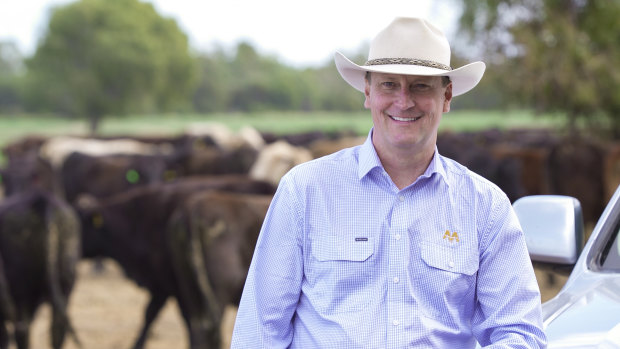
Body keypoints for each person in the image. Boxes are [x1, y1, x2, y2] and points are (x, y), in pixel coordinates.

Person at [231, 17, 546, 348]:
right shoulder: (304, 190)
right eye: (389, 84)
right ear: (368, 91)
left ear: (447, 95)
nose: (404, 101)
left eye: (421, 85)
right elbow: (259, 332)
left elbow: (520, 334)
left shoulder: (487, 206)